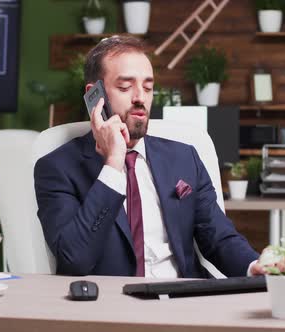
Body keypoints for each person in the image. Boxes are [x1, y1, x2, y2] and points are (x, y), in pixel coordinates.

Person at [34, 35, 264, 278]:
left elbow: (218, 238)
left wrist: (253, 266)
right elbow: (74, 260)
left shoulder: (184, 157)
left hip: (183, 302)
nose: (140, 98)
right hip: (113, 307)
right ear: (95, 97)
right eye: (125, 87)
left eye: (147, 87)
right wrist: (113, 164)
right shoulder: (56, 168)